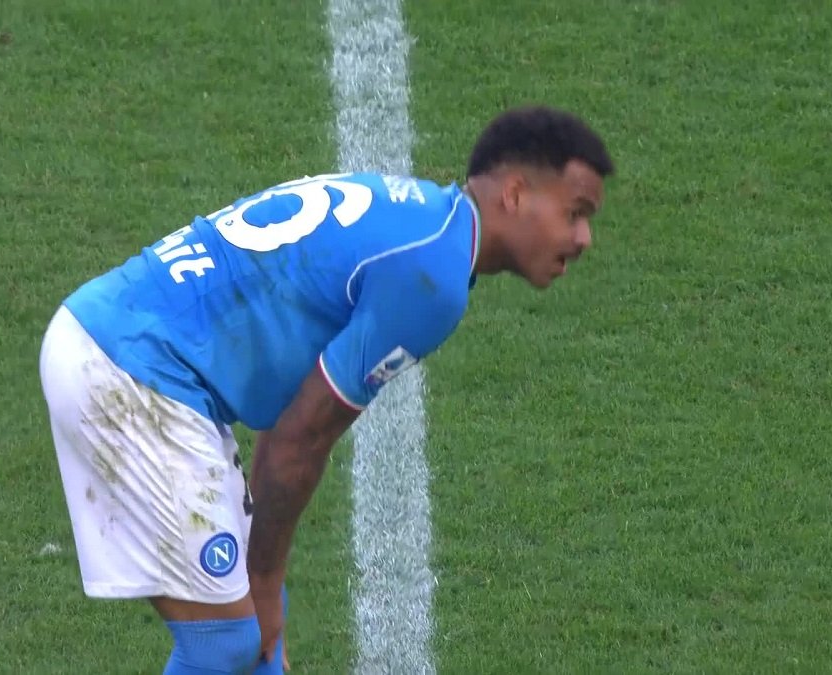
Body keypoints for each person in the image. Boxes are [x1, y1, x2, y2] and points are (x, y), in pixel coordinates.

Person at [37, 104, 614, 673]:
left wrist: (266, 584)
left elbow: (290, 426)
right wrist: (264, 581)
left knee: (257, 637)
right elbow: (301, 438)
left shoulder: (420, 221)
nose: (585, 237)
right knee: (225, 642)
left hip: (122, 341)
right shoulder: (432, 277)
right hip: (130, 372)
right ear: (514, 194)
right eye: (575, 213)